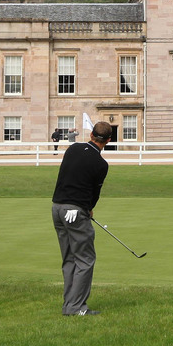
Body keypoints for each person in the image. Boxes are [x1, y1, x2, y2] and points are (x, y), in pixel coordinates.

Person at [51, 120, 112, 316]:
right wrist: (89, 208)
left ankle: (69, 306)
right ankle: (76, 307)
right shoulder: (101, 164)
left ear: (91, 135)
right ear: (108, 140)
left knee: (69, 258)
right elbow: (94, 193)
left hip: (57, 208)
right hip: (75, 212)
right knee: (85, 260)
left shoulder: (73, 148)